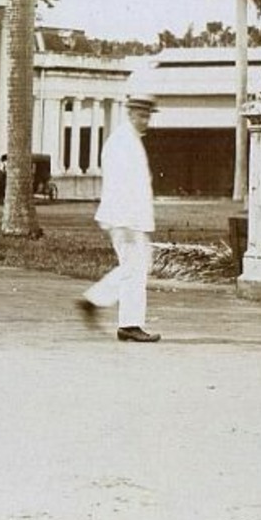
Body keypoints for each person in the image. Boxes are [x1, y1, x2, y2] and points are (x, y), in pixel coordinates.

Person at [79, 94, 161, 342]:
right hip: (125, 218)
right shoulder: (122, 142)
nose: (145, 120)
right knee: (134, 268)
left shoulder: (130, 140)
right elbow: (119, 185)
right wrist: (124, 222)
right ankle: (128, 322)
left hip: (131, 218)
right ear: (130, 114)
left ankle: (97, 302)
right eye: (141, 115)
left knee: (136, 266)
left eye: (147, 116)